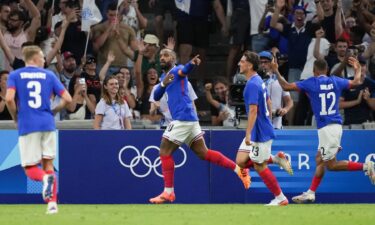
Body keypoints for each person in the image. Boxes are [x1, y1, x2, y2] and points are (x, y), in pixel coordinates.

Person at [149, 49, 250, 204]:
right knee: (204, 153)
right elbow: (156, 96)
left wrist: (192, 63)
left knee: (164, 152)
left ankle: (168, 192)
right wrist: (163, 83)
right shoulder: (164, 77)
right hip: (190, 119)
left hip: (182, 118)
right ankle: (239, 170)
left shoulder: (176, 70)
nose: (162, 57)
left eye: (166, 55)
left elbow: (184, 70)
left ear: (174, 58)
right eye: (161, 55)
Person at [273, 57, 375, 204]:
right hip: (332, 127)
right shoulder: (336, 80)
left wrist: (276, 69)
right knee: (319, 159)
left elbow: (286, 86)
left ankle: (367, 166)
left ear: (314, 71)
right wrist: (358, 69)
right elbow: (356, 82)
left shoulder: (311, 82)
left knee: (331, 165)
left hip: (328, 128)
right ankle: (311, 193)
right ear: (326, 70)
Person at [5, 45, 72, 214]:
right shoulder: (49, 75)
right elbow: (67, 98)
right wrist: (53, 111)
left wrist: (15, 118)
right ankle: (52, 204)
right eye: (42, 57)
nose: (44, 60)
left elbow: (9, 99)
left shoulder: (15, 75)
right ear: (34, 58)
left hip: (28, 124)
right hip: (48, 124)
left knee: (30, 168)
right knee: (48, 163)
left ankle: (44, 179)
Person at [234, 51, 289, 206]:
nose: (239, 63)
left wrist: (248, 133)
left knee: (259, 165)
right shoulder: (258, 80)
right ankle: (275, 158)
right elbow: (269, 101)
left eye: (242, 61)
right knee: (240, 161)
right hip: (262, 127)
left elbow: (253, 110)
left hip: (258, 131)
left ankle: (280, 198)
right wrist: (268, 121)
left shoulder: (252, 84)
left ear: (250, 65)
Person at [259, 51, 293, 129]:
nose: (263, 64)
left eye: (266, 62)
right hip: (260, 125)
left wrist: (285, 109)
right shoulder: (255, 80)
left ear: (272, 63)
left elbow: (289, 101)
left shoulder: (280, 80)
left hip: (276, 125)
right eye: (260, 62)